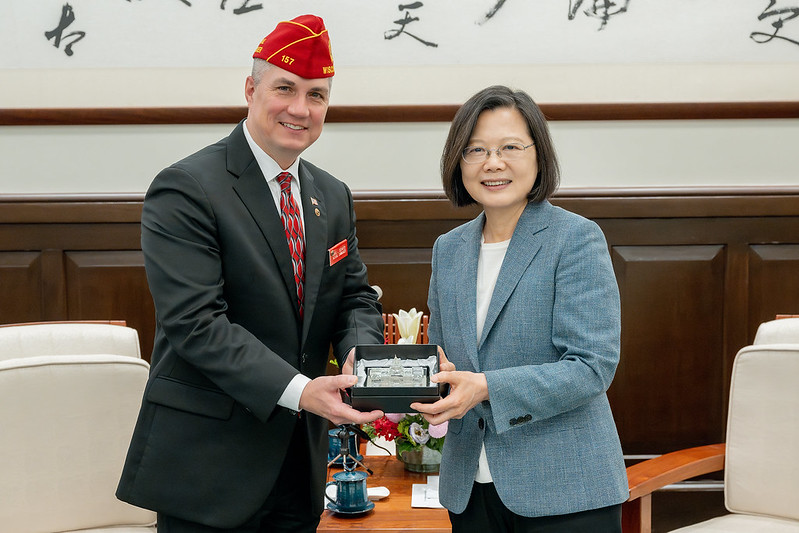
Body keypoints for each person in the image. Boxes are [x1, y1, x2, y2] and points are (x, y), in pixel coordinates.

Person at [116, 14, 385, 533]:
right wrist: (301, 390)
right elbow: (196, 324)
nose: (299, 109)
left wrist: (360, 355)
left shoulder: (331, 195)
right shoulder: (187, 187)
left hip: (296, 467)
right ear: (250, 88)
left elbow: (354, 296)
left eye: (317, 95)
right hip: (209, 468)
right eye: (285, 88)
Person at [411, 85, 628, 532]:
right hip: (468, 487)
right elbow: (439, 358)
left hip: (566, 491)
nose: (494, 162)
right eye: (476, 150)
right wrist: (412, 385)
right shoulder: (448, 249)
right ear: (459, 161)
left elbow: (591, 367)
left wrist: (486, 387)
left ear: (538, 155)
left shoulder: (575, 239)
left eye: (510, 147)